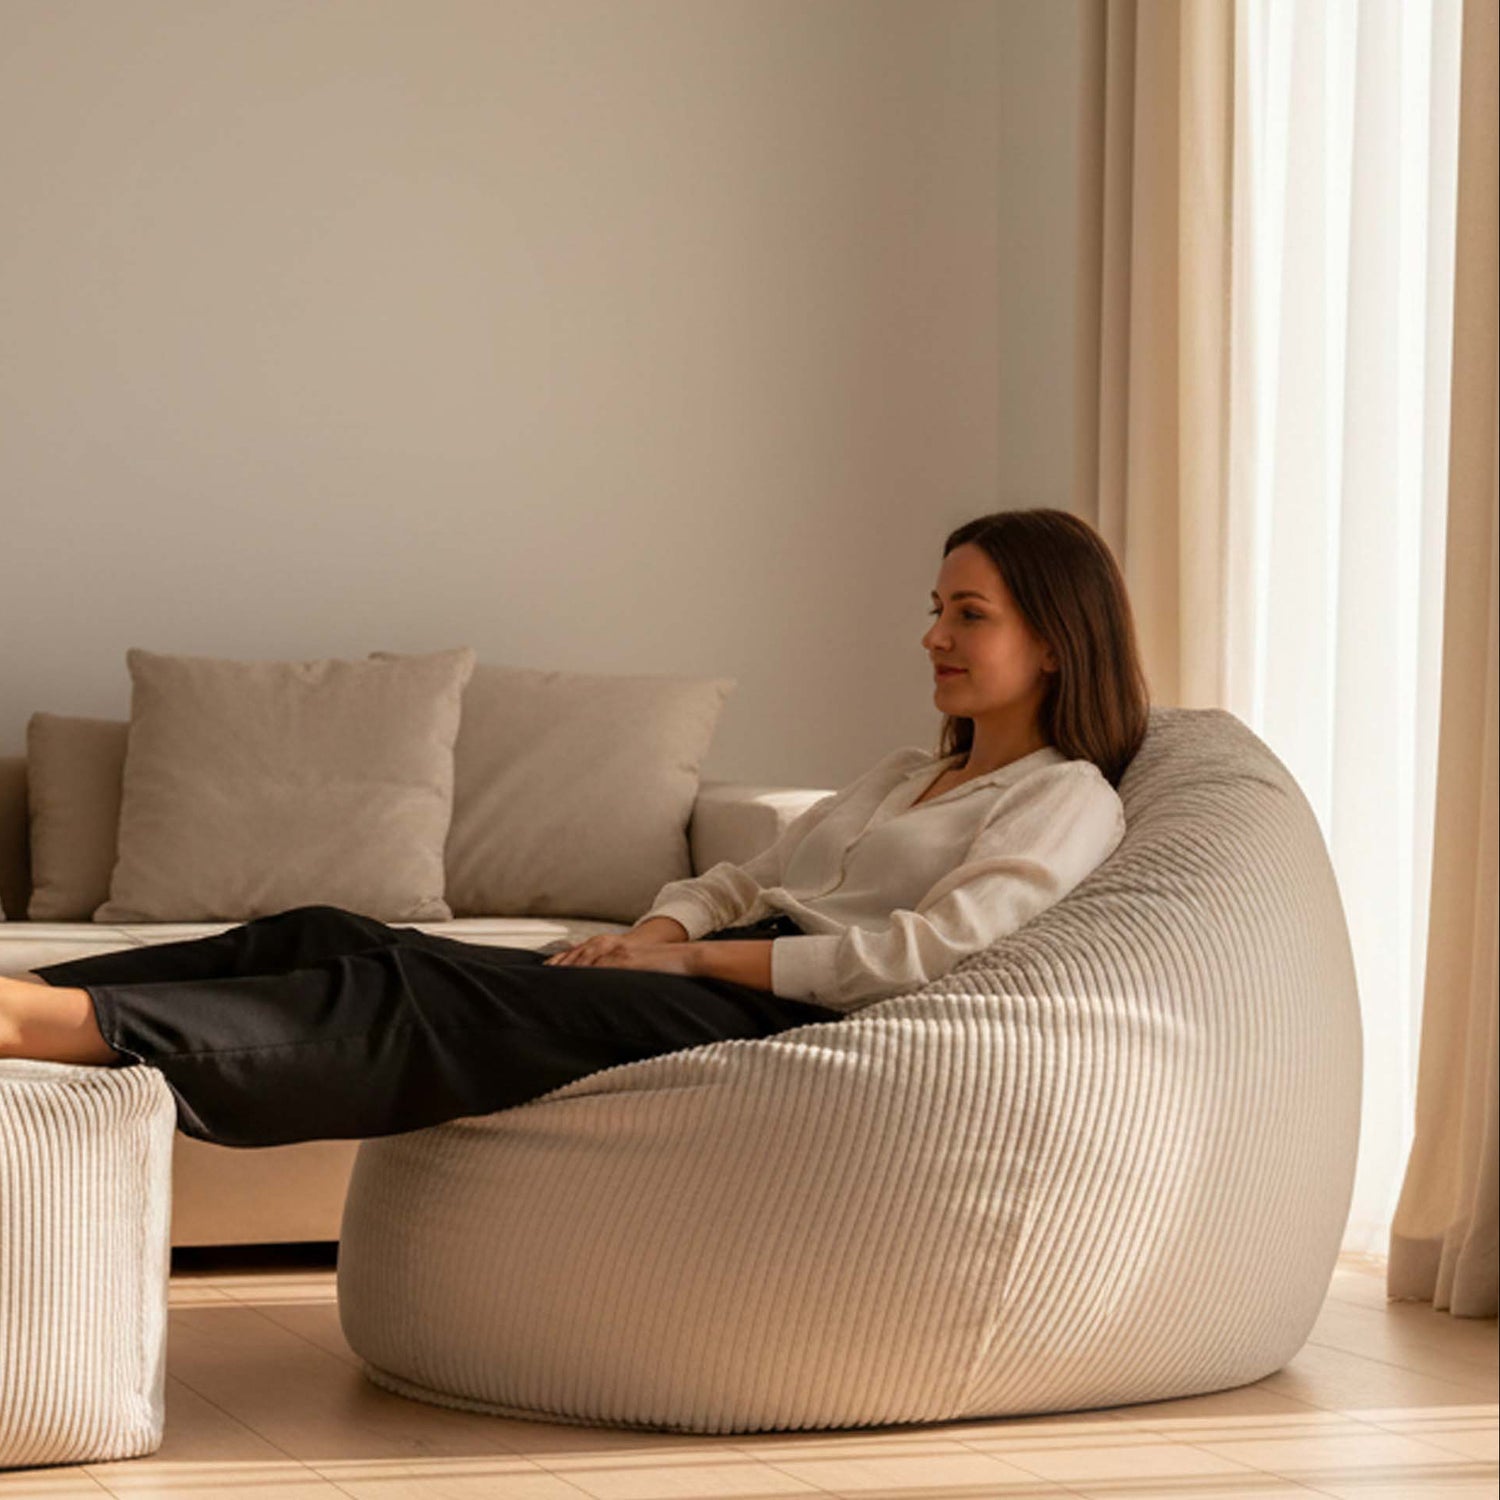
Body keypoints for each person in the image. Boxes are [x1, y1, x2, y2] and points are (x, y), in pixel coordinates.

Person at [0, 508, 1150, 1149]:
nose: (934, 636)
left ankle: (61, 1027)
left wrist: (692, 955)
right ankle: (39, 1000)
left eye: (969, 615)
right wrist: (659, 925)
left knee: (416, 999)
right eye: (935, 609)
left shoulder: (1065, 799)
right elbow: (749, 871)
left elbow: (915, 958)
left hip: (766, 1010)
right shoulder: (909, 774)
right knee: (335, 931)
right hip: (699, 972)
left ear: (1053, 640)